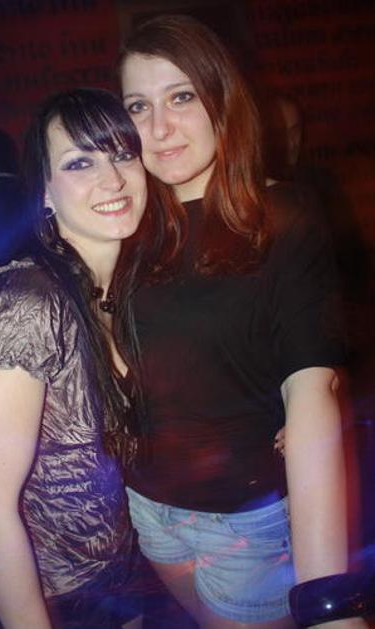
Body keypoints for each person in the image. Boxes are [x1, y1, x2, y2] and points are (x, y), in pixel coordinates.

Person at [117, 14, 366, 628]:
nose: (159, 127)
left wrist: (327, 598)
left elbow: (311, 389)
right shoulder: (124, 225)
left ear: (222, 101)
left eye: (181, 97)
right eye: (138, 106)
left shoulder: (283, 215)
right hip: (146, 508)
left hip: (243, 523)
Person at [0, 87, 149, 628]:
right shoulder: (26, 301)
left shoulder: (130, 291)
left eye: (122, 154)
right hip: (51, 598)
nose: (112, 180)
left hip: (127, 576)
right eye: (79, 163)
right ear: (44, 191)